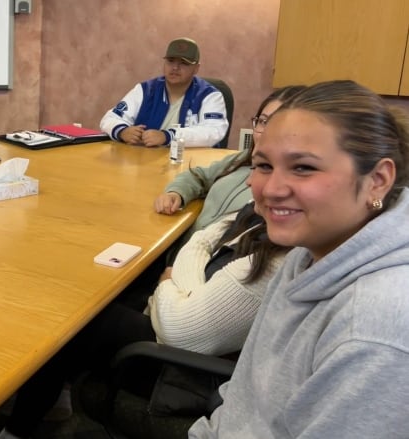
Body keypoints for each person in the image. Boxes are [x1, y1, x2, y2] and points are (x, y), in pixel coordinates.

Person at [189, 80, 409, 438]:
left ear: (378, 180)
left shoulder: (373, 330)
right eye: (263, 165)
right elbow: (245, 399)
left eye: (303, 168)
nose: (272, 189)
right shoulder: (308, 254)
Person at [0, 200, 290, 439]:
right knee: (104, 289)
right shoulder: (265, 218)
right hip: (188, 317)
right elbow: (204, 237)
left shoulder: (274, 262)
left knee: (72, 319)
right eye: (261, 166)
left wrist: (168, 283)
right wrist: (182, 283)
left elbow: (181, 331)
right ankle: (53, 395)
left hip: (185, 373)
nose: (254, 183)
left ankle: (17, 429)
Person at [155, 85, 307, 241]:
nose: (266, 131)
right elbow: (200, 175)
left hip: (209, 261)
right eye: (263, 121)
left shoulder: (280, 193)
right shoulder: (242, 159)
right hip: (184, 248)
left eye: (277, 123)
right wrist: (176, 192)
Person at [99, 37, 228, 148]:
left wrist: (169, 136)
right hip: (144, 163)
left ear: (196, 68)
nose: (175, 68)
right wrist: (122, 131)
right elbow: (110, 118)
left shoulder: (210, 96)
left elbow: (213, 131)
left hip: (191, 167)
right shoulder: (146, 90)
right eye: (171, 61)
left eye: (184, 63)